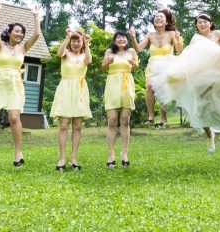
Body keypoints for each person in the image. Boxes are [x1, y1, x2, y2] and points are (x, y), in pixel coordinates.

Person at [150, 14, 220, 152]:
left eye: (205, 21)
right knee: (199, 107)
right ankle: (210, 136)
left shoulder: (217, 34)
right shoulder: (196, 40)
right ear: (196, 25)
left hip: (218, 75)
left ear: (211, 23)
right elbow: (189, 58)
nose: (202, 24)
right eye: (199, 22)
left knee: (213, 106)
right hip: (201, 77)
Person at [0, 0, 41, 172]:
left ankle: (18, 152)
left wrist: (36, 16)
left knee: (14, 118)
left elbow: (37, 34)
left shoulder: (23, 48)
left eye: (21, 32)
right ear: (9, 32)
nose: (20, 34)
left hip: (14, 85)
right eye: (17, 31)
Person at [131, 9, 183, 129]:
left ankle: (163, 118)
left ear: (166, 22)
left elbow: (180, 51)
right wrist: (133, 38)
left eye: (161, 17)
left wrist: (178, 39)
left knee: (161, 88)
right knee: (149, 86)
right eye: (156, 17)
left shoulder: (172, 34)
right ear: (154, 22)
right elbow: (138, 49)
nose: (158, 18)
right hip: (153, 66)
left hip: (167, 65)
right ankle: (150, 117)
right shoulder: (150, 35)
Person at [50, 27, 92, 171]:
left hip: (80, 89)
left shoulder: (85, 54)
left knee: (77, 125)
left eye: (78, 41)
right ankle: (62, 158)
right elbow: (59, 53)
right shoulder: (66, 53)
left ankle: (73, 157)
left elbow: (89, 60)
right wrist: (67, 38)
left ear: (82, 42)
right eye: (73, 41)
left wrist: (87, 44)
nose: (75, 43)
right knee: (64, 124)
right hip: (66, 88)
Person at [101, 31, 138, 168]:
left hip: (127, 85)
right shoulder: (109, 52)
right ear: (114, 40)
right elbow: (103, 68)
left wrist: (134, 63)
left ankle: (124, 153)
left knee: (125, 120)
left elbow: (136, 67)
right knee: (112, 120)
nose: (121, 39)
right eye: (118, 38)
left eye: (123, 38)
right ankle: (111, 155)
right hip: (112, 85)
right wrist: (106, 62)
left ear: (126, 40)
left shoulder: (131, 51)